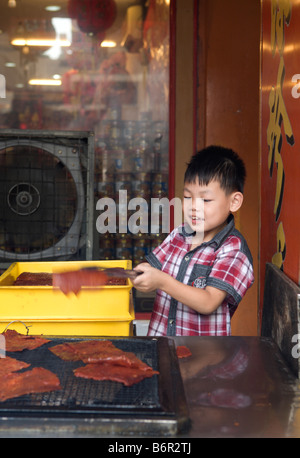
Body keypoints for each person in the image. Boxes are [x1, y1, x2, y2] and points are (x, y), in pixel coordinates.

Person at [132, 145, 254, 336]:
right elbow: (150, 266)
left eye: (205, 201)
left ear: (234, 201)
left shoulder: (233, 250)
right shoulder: (179, 234)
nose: (194, 207)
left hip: (203, 360)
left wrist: (162, 282)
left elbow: (208, 302)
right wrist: (129, 275)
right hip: (160, 347)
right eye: (188, 197)